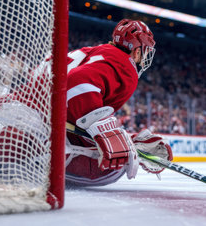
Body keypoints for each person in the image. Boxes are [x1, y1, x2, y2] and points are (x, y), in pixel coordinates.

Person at [65, 19, 173, 186]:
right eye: (145, 51)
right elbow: (74, 84)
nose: (144, 57)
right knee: (115, 166)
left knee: (118, 149)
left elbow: (71, 110)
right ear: (137, 51)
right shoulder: (125, 65)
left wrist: (129, 140)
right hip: (36, 134)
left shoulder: (97, 51)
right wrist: (105, 132)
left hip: (30, 113)